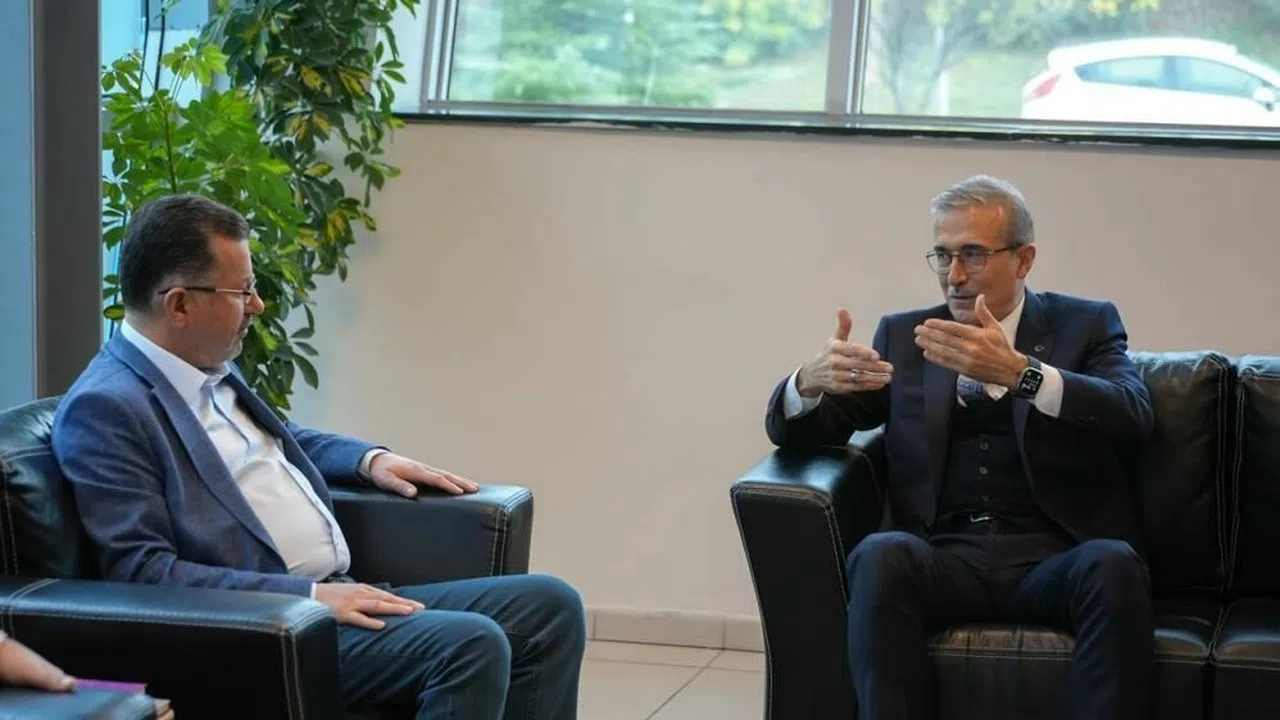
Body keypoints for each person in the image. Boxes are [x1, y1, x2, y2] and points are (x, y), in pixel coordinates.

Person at [52, 195, 585, 719]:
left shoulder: (203, 366)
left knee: (550, 607)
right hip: (264, 629)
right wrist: (307, 595)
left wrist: (370, 461)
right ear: (180, 305)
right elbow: (143, 571)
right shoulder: (108, 408)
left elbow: (280, 438)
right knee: (470, 645)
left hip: (333, 597)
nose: (257, 306)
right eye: (243, 291)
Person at [766, 175, 1155, 720]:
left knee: (1113, 564)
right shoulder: (907, 336)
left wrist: (1022, 374)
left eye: (973, 254)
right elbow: (814, 428)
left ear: (1024, 260)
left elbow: (1132, 413)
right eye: (943, 255)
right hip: (945, 555)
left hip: (1054, 556)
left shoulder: (1085, 325)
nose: (955, 275)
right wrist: (806, 383)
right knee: (879, 556)